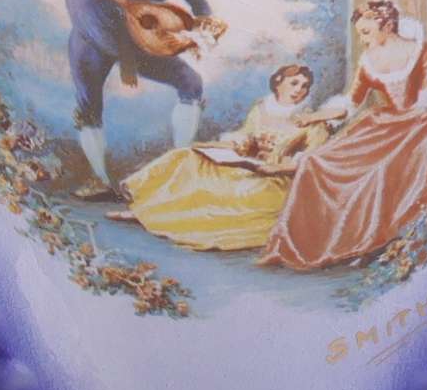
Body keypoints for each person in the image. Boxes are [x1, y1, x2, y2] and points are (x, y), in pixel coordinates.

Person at [259, 1, 427, 272]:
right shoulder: (368, 62)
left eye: (366, 32)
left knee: (380, 171)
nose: (363, 40)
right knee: (317, 160)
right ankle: (323, 243)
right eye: (360, 34)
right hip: (385, 125)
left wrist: (405, 125)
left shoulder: (423, 51)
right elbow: (351, 104)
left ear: (388, 26)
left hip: (425, 124)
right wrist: (315, 117)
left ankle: (367, 243)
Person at [45, 0, 223, 199]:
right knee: (89, 105)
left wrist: (208, 24)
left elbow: (198, 4)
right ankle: (99, 180)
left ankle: (179, 170)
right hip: (95, 27)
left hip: (139, 38)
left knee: (190, 82)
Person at [111, 63, 331, 253]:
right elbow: (245, 138)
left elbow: (310, 161)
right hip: (249, 165)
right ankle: (144, 209)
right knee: (186, 157)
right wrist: (219, 146)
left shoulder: (313, 122)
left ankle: (157, 217)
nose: (299, 90)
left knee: (233, 190)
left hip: (275, 179)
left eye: (304, 86)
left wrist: (276, 169)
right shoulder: (261, 109)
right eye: (294, 83)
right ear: (278, 82)